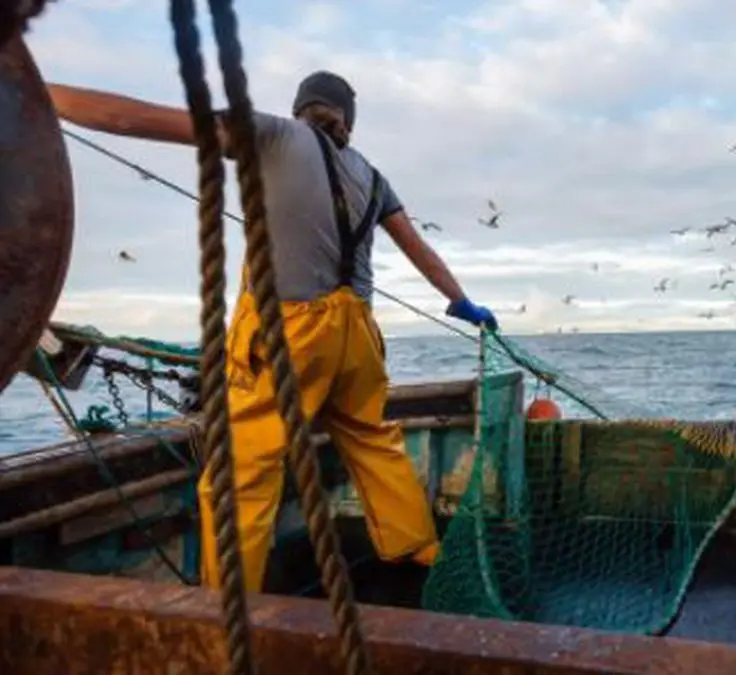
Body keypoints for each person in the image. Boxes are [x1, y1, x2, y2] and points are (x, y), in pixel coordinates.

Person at [47, 71, 498, 592]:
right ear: (347, 118)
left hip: (291, 332)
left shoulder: (276, 135)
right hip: (358, 338)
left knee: (245, 470)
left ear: (300, 108)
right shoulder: (373, 177)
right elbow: (421, 251)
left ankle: (229, 606)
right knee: (374, 442)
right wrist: (461, 302)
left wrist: (43, 96)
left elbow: (139, 118)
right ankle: (420, 553)